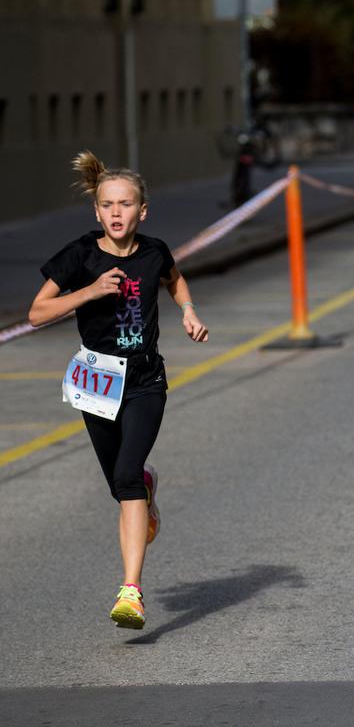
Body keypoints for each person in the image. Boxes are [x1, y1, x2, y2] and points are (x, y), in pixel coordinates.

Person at [28, 151, 209, 630]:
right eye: (107, 204)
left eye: (125, 204)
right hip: (96, 382)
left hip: (146, 380)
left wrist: (187, 311)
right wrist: (88, 292)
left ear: (142, 211)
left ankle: (131, 591)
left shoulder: (154, 252)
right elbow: (36, 313)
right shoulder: (81, 255)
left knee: (125, 475)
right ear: (96, 211)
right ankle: (146, 486)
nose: (115, 212)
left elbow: (175, 280)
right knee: (121, 485)